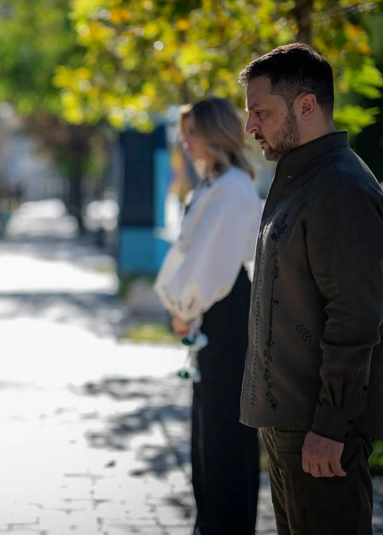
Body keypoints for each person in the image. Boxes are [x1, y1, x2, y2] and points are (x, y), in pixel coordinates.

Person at [239, 43, 383, 535]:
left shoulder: (340, 187)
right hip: (290, 425)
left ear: (306, 106)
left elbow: (356, 317)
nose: (250, 125)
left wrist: (330, 427)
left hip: (318, 432)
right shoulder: (302, 177)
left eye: (261, 111)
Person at [153, 98, 262, 535]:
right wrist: (184, 307)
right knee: (209, 435)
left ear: (215, 135)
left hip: (225, 312)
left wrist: (184, 309)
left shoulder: (231, 187)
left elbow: (211, 262)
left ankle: (225, 526)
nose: (185, 141)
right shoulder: (217, 183)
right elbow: (192, 254)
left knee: (224, 437)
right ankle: (213, 523)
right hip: (216, 311)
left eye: (192, 132)